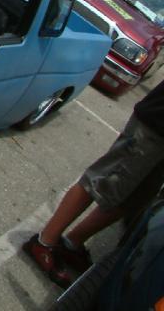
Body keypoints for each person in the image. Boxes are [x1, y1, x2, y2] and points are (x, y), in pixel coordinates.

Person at [24, 79, 164, 288]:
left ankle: (71, 244)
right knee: (103, 181)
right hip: (155, 126)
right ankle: (44, 242)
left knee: (134, 198)